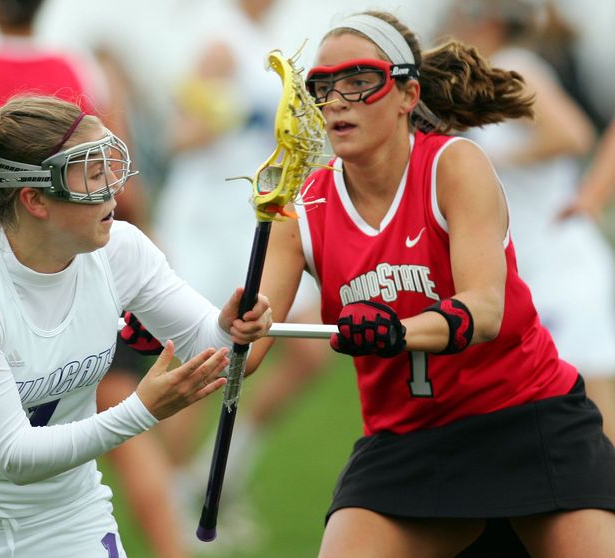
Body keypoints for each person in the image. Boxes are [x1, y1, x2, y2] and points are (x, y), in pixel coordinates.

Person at [0, 72, 272, 558]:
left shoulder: (122, 251)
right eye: (90, 173)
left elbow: (224, 353)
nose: (113, 191)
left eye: (110, 168)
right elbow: (14, 456)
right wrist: (142, 410)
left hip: (63, 523)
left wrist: (235, 332)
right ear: (35, 199)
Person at [245, 10, 615, 557]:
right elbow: (249, 346)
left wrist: (395, 332)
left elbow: (484, 310)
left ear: (405, 94)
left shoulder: (454, 165)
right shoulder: (301, 207)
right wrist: (174, 329)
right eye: (323, 86)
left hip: (528, 421)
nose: (337, 100)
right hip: (408, 441)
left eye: (359, 81)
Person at [151, 0, 333, 548]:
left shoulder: (274, 35)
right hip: (209, 228)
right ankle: (175, 499)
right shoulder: (219, 38)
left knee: (306, 349)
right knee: (203, 364)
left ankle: (219, 476)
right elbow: (178, 137)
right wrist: (230, 116)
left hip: (258, 226)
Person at [443, 0, 615, 442]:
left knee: (587, 404)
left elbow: (572, 134)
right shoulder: (483, 79)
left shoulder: (513, 67)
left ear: (490, 22)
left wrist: (493, 159)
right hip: (533, 267)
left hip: (561, 261)